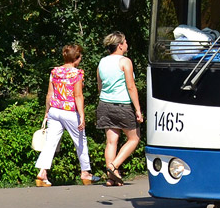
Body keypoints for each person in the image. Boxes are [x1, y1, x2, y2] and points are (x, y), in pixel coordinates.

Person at [35, 43, 94, 187]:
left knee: (51, 142)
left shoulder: (55, 72)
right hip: (70, 112)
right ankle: (85, 173)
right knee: (80, 141)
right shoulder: (77, 74)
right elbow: (78, 95)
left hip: (54, 111)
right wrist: (82, 116)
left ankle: (42, 173)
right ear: (77, 58)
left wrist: (46, 113)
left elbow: (50, 94)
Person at [96, 31, 144, 186]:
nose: (127, 44)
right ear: (120, 45)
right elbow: (131, 86)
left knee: (111, 141)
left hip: (104, 104)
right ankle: (113, 166)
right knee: (134, 138)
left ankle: (111, 178)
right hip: (123, 105)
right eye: (125, 42)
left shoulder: (102, 62)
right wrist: (137, 109)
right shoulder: (125, 61)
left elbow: (99, 85)